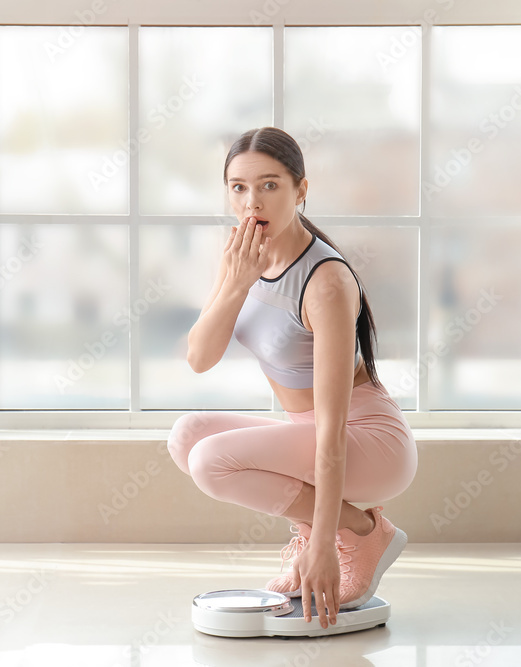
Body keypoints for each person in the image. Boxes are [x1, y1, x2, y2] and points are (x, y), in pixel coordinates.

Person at [167, 126, 417, 630]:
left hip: (366, 440)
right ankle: (352, 530)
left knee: (212, 462)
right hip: (312, 433)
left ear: (301, 190)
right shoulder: (239, 255)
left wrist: (323, 546)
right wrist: (237, 282)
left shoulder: (326, 282)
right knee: (187, 436)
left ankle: (358, 536)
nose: (251, 201)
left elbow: (330, 428)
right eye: (238, 187)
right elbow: (198, 357)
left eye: (269, 185)